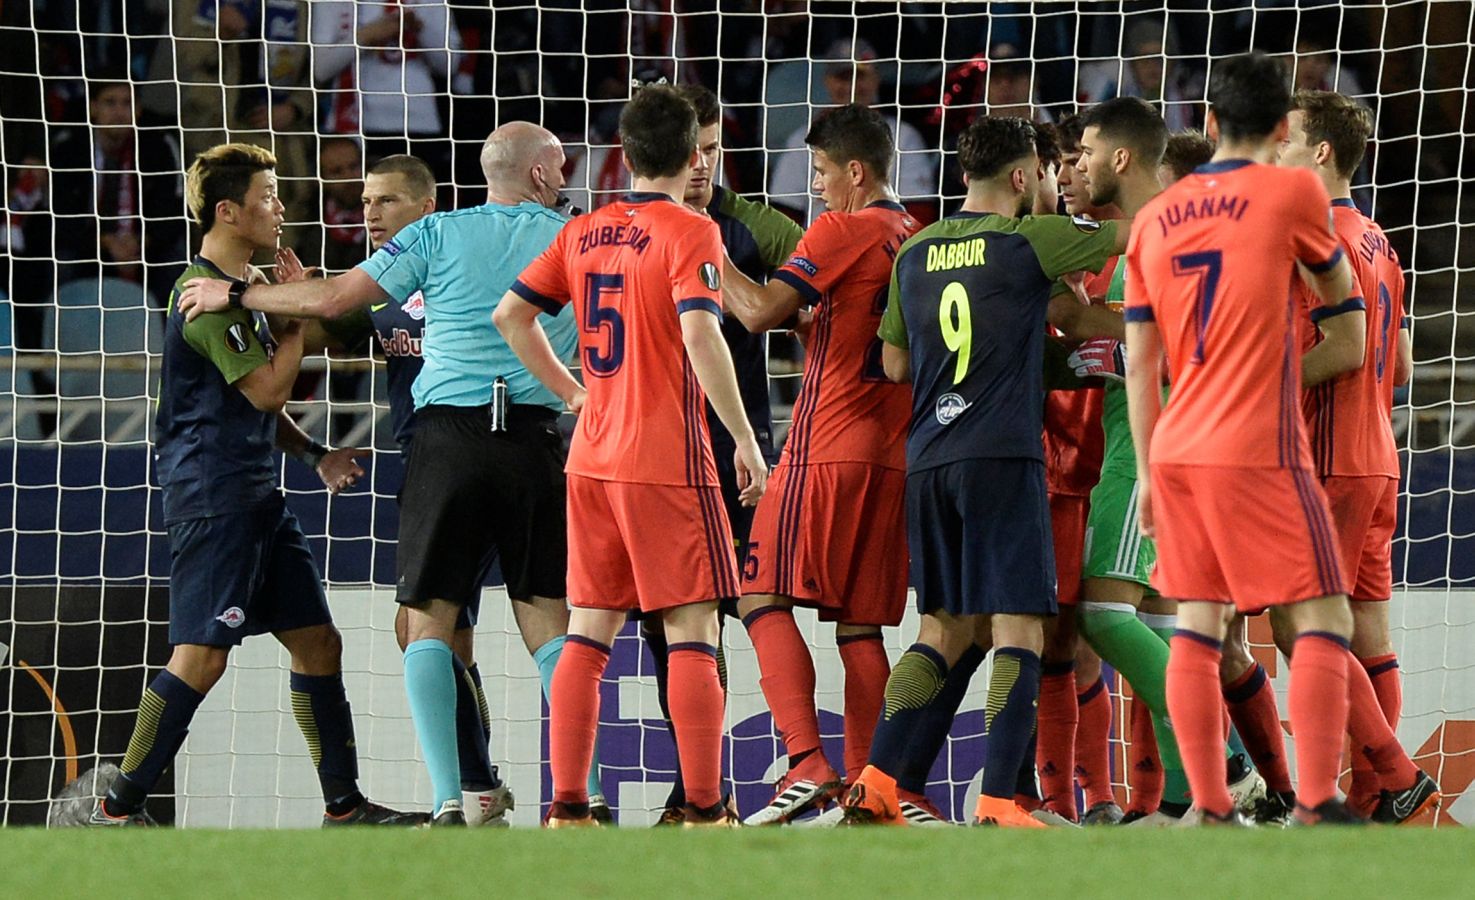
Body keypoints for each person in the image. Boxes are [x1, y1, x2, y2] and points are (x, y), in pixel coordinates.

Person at [178, 123, 593, 827]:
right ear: (546, 176)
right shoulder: (578, 237)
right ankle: (575, 799)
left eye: (384, 200)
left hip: (446, 445)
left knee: (424, 628)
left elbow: (332, 299)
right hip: (536, 439)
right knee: (549, 628)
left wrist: (240, 296)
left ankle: (451, 802)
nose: (368, 211)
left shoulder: (435, 238)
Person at [1122, 52, 1439, 825]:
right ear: (1271, 129)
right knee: (1344, 627)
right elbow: (1385, 356)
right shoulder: (1365, 234)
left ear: (1205, 122)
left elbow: (1139, 360)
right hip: (1344, 447)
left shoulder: (1155, 219)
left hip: (1218, 444)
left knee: (1214, 628)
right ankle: (1351, 795)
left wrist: (1147, 466)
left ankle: (1216, 803)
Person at [81, 143, 416, 827]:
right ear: (228, 210)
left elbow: (253, 406)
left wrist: (316, 452)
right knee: (200, 658)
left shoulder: (246, 288)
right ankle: (115, 810)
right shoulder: (200, 297)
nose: (280, 205)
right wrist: (292, 322)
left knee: (319, 643)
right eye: (267, 193)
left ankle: (344, 808)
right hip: (213, 497)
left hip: (256, 494)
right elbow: (264, 391)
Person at [495, 84, 768, 828]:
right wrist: (744, 440)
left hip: (590, 459)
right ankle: (706, 808)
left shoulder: (583, 230)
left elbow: (510, 315)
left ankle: (568, 807)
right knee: (690, 628)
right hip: (665, 462)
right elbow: (702, 334)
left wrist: (574, 393)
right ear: (692, 156)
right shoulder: (690, 230)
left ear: (623, 154)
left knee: (588, 630)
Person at [846, 115, 1126, 828]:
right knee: (1018, 631)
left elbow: (896, 364)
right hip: (1001, 457)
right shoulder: (1027, 240)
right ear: (1023, 175)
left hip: (929, 458)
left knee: (940, 630)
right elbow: (1135, 229)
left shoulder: (913, 249)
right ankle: (1001, 797)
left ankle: (875, 781)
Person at [718, 103, 919, 826]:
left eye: (823, 172)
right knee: (859, 628)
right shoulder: (912, 234)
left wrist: (704, 258)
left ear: (856, 172)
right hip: (891, 456)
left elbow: (757, 312)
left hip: (825, 448)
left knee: (759, 597)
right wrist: (817, 327)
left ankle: (805, 763)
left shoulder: (844, 227)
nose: (820, 187)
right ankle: (873, 786)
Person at [1068, 97, 1267, 826]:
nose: (1079, 165)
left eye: (1086, 151)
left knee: (1099, 612)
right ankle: (1186, 800)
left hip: (1149, 455)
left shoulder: (1158, 236)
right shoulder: (1175, 237)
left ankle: (1227, 766)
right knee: (1154, 619)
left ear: (1120, 158)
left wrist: (1075, 317)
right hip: (1165, 451)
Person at [636, 82, 803, 826]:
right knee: (666, 624)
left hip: (738, 454)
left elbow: (819, 290)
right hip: (656, 455)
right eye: (691, 151)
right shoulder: (625, 225)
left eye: (713, 150)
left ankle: (810, 763)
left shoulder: (756, 225)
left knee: (752, 604)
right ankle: (697, 787)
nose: (701, 164)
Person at [1278, 89, 1420, 821]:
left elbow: (1347, 349)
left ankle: (1387, 777)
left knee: (1300, 625)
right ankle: (1372, 803)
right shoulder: (1378, 239)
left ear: (1321, 153)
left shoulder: (1314, 235)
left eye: (1289, 138)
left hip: (1326, 453)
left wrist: (1261, 385)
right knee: (1368, 635)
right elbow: (1396, 363)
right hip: (1379, 456)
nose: (1276, 150)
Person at [1035, 113, 1120, 825]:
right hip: (1055, 468)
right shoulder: (1038, 253)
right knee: (1059, 641)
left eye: (1075, 160)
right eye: (1058, 162)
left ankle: (1133, 798)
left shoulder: (1124, 251)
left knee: (1130, 626)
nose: (1068, 173)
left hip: (1115, 467)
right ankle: (1065, 803)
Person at [767, 39, 937, 223]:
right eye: (843, 77)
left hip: (885, 247)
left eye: (860, 76)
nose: (852, 86)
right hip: (822, 247)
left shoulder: (904, 137)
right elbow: (783, 214)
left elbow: (920, 214)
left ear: (876, 78)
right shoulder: (803, 139)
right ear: (827, 81)